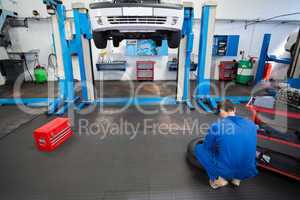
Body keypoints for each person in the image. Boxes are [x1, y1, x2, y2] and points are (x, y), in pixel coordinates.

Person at [194, 100, 258, 189]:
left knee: (199, 149)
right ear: (234, 109)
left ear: (221, 111)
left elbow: (207, 147)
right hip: (248, 170)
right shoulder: (251, 124)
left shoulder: (217, 126)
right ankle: (237, 179)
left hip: (227, 171)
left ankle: (218, 179)